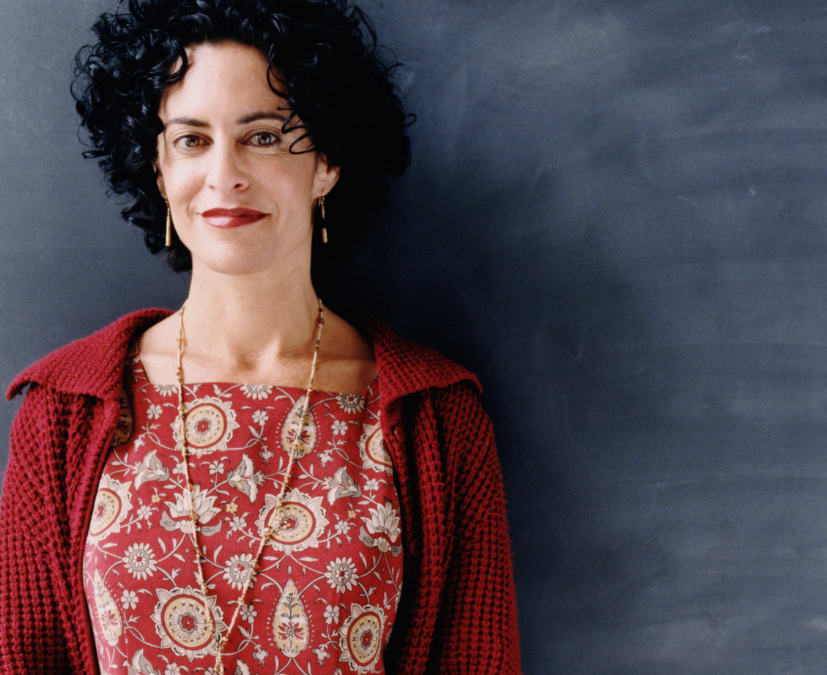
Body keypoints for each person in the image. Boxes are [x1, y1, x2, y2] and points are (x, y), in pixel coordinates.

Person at [0, 1, 520, 673]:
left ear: (328, 162)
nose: (225, 175)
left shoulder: (439, 420)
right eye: (192, 139)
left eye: (264, 136)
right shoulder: (63, 413)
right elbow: (26, 655)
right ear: (157, 168)